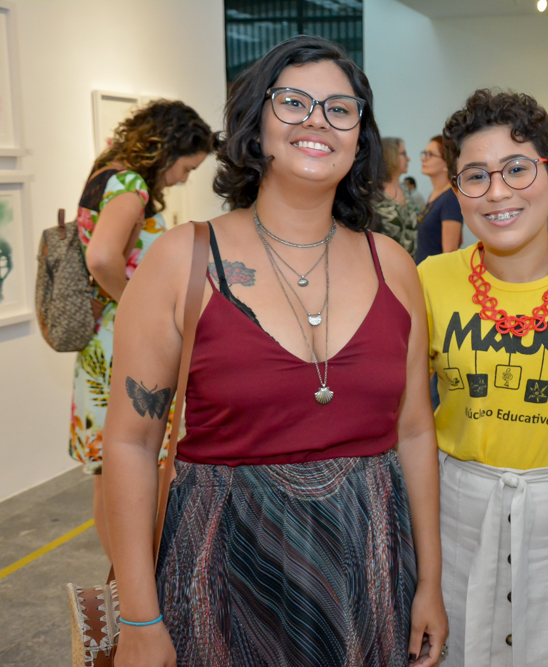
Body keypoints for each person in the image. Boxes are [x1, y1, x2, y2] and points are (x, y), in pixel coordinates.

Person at [102, 36, 447, 666]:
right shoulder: (182, 260)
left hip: (366, 576)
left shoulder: (393, 267)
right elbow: (128, 445)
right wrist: (139, 616)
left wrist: (429, 581)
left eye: (341, 109)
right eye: (293, 102)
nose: (317, 120)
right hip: (220, 574)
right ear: (255, 125)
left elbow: (416, 434)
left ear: (360, 138)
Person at [418, 89, 548, 667]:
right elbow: (408, 423)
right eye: (475, 177)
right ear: (457, 191)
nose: (499, 192)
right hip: (459, 515)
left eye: (517, 168)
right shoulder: (430, 280)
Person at [69, 99, 213, 560]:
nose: (183, 179)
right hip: (121, 344)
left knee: (109, 473)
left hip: (101, 341)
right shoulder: (130, 185)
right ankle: (138, 590)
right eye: (186, 168)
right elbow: (103, 259)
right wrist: (137, 306)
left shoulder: (104, 175)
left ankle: (123, 585)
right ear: (167, 151)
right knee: (137, 468)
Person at [415, 135, 463, 265]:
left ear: (447, 164)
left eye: (430, 154)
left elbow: (450, 251)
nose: (423, 158)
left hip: (436, 278)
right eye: (424, 153)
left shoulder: (450, 199)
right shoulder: (436, 194)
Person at [376, 136, 420, 257]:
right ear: (390, 155)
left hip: (411, 265)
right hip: (383, 266)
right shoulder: (373, 193)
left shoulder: (405, 189)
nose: (408, 159)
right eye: (403, 154)